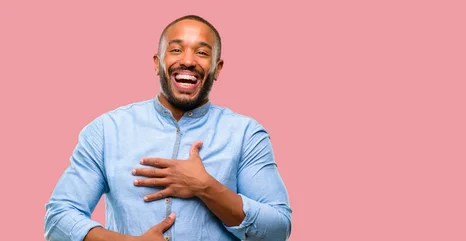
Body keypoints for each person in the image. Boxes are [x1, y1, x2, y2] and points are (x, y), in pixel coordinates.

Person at [44, 15, 292, 241]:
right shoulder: (106, 130)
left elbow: (278, 229)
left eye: (202, 53)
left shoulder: (247, 135)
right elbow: (58, 218)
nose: (188, 60)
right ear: (157, 63)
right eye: (176, 49)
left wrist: (205, 186)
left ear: (217, 69)